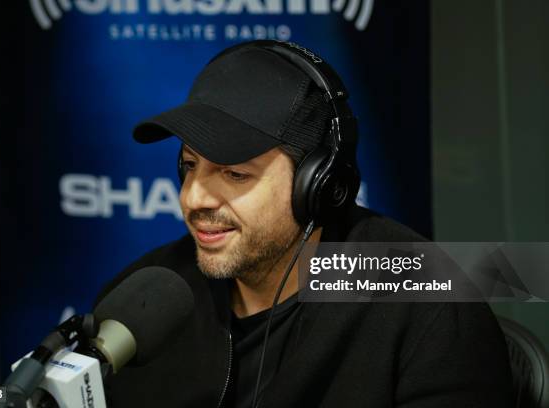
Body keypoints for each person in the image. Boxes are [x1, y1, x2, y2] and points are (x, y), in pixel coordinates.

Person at [96, 40, 513, 407]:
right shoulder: (146, 301)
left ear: (318, 183)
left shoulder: (427, 308)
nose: (193, 197)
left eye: (235, 174)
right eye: (189, 165)